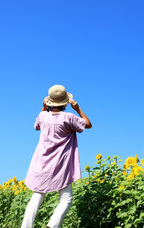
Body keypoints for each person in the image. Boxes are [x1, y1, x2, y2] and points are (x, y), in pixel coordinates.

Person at [21, 85, 92, 228]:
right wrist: (77, 109)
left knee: (37, 196)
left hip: (41, 163)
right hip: (61, 164)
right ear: (65, 102)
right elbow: (88, 124)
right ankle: (52, 226)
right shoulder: (69, 118)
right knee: (66, 199)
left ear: (49, 102)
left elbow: (37, 126)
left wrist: (43, 108)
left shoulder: (43, 116)